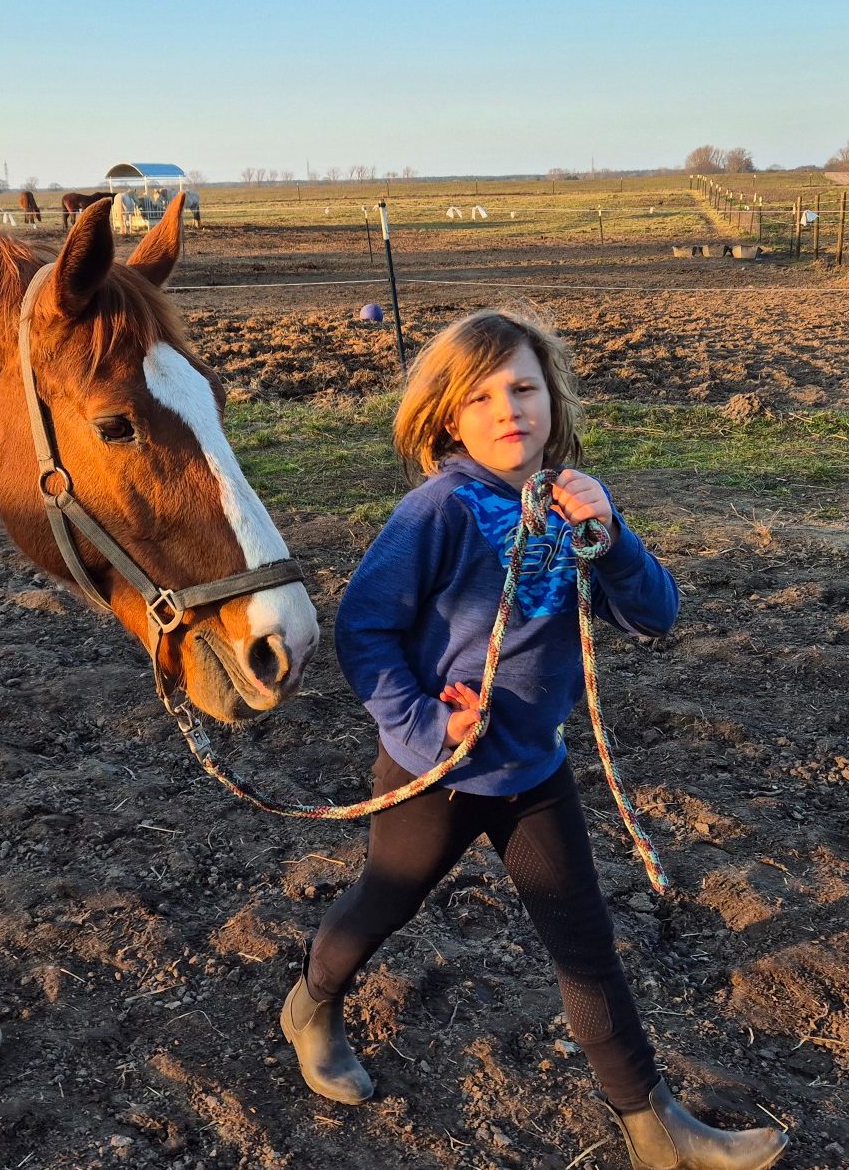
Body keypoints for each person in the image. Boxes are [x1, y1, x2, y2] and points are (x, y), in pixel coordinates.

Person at [279, 309, 787, 1170]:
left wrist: (612, 537)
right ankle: (312, 1002)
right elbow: (363, 630)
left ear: (552, 397)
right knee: (382, 904)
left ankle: (654, 1126)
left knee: (585, 944)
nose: (507, 408)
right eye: (480, 396)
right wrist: (426, 723)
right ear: (448, 418)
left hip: (532, 769)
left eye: (522, 387)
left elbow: (654, 615)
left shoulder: (573, 503)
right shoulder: (435, 510)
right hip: (435, 771)